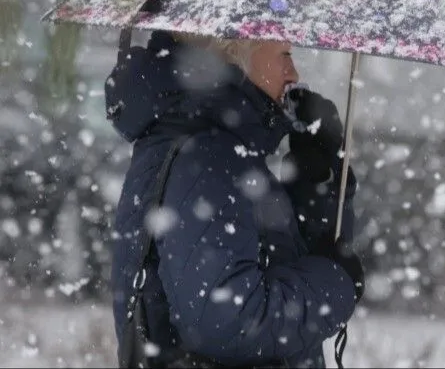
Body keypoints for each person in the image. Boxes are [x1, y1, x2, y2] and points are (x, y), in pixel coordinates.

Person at [105, 29, 364, 368]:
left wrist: (316, 176)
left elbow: (273, 263)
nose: (294, 73)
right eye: (283, 54)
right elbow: (229, 321)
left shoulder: (213, 147)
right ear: (233, 54)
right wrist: (333, 285)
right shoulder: (210, 157)